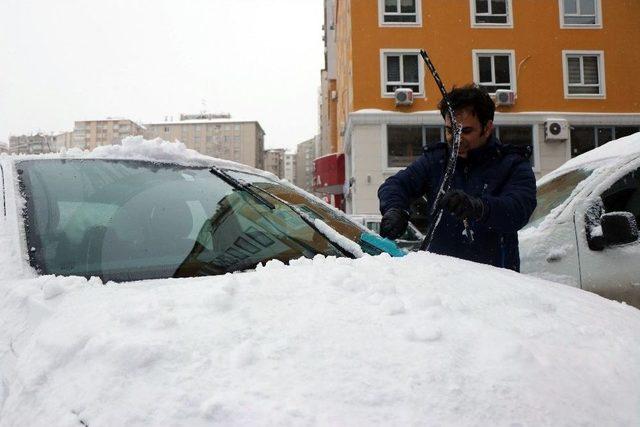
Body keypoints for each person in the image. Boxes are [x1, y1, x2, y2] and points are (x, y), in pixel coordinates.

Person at [377, 84, 536, 271]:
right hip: (441, 280)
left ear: (487, 128)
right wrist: (395, 209)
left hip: (495, 282)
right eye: (450, 130)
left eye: (466, 131)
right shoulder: (437, 160)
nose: (456, 138)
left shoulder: (512, 164)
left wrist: (479, 208)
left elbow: (518, 209)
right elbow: (396, 185)